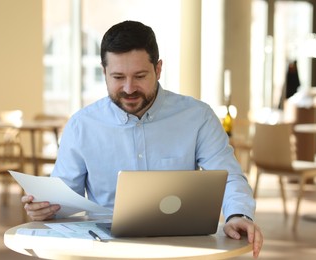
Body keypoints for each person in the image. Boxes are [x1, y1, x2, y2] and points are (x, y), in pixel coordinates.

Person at [22, 20, 263, 258]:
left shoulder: (198, 117)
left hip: (182, 248)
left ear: (158, 69)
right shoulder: (81, 126)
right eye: (117, 77)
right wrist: (45, 208)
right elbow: (65, 198)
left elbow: (229, 176)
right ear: (104, 72)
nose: (128, 88)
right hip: (105, 251)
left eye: (139, 76)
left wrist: (238, 215)